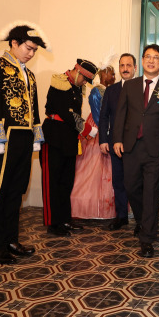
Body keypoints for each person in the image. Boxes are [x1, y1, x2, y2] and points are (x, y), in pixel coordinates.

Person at [0, 22, 48, 264]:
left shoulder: (29, 75)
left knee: (15, 192)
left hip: (24, 139)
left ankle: (11, 239)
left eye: (34, 51)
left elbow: (35, 109)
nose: (31, 53)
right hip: (2, 138)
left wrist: (36, 136)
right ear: (14, 43)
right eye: (28, 48)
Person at [113, 44, 159, 258]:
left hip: (155, 148)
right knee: (131, 187)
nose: (151, 61)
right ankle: (141, 220)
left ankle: (147, 238)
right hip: (130, 146)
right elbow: (120, 114)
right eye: (148, 57)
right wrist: (117, 139)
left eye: (156, 58)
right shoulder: (130, 86)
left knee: (151, 193)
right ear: (143, 60)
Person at [41, 59, 98, 237]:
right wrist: (87, 129)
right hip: (54, 137)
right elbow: (66, 113)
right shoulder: (59, 81)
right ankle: (53, 223)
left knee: (66, 182)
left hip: (68, 139)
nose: (84, 84)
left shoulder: (75, 87)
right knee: (52, 182)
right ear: (78, 72)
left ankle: (64, 219)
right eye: (84, 80)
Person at [70, 64, 116, 219]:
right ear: (105, 74)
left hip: (105, 125)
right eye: (112, 73)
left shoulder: (107, 89)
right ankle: (91, 206)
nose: (114, 76)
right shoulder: (97, 90)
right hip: (97, 128)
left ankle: (104, 207)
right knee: (92, 168)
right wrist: (106, 131)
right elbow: (98, 114)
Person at [100, 54, 136, 231]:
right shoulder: (111, 90)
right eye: (122, 65)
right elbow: (104, 116)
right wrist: (103, 140)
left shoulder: (141, 89)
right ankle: (121, 217)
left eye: (129, 65)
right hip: (115, 144)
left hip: (137, 146)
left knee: (136, 183)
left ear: (135, 68)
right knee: (118, 182)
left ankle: (141, 220)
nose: (125, 68)